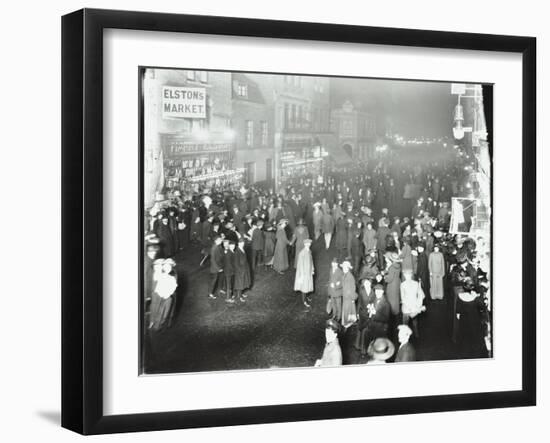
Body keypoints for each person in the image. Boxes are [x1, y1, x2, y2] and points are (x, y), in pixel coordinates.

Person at [355, 281, 391, 356]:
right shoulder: (374, 299)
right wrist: (369, 309)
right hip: (372, 323)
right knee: (364, 332)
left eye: (379, 291)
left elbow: (386, 319)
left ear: (382, 292)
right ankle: (365, 351)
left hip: (380, 326)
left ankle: (372, 352)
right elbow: (369, 306)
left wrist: (375, 313)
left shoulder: (386, 304)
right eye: (376, 291)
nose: (377, 293)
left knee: (367, 333)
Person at [149, 258, 178, 331]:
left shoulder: (173, 275)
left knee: (166, 312)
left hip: (169, 296)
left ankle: (164, 324)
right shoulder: (161, 274)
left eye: (169, 266)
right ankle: (156, 324)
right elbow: (158, 285)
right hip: (161, 295)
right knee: (159, 310)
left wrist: (168, 294)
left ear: (172, 267)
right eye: (165, 266)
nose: (167, 268)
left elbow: (173, 286)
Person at [400, 268, 426, 337]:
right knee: (412, 322)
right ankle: (416, 335)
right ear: (404, 275)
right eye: (406, 275)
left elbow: (420, 295)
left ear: (411, 275)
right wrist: (417, 306)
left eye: (408, 275)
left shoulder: (404, 284)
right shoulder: (414, 284)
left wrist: (416, 305)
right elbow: (421, 296)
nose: (407, 276)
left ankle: (410, 336)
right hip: (411, 307)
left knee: (408, 323)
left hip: (408, 307)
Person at [294, 239, 315, 308]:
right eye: (307, 244)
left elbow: (311, 261)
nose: (308, 245)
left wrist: (312, 269)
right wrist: (302, 275)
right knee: (304, 287)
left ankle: (307, 297)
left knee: (308, 285)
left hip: (308, 272)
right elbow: (300, 265)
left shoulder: (309, 251)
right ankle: (304, 301)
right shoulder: (302, 253)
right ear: (304, 244)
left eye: (309, 244)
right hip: (304, 273)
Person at [384, 251, 402, 316]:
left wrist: (385, 277)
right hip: (397, 282)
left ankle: (392, 312)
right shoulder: (398, 265)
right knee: (396, 298)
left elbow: (390, 279)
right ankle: (396, 311)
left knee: (391, 298)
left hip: (392, 285)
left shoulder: (392, 267)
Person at [341, 259, 358, 328]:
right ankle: (350, 321)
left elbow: (352, 290)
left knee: (348, 310)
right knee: (349, 310)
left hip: (349, 297)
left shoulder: (350, 277)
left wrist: (353, 298)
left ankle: (347, 323)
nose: (343, 269)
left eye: (345, 267)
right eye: (343, 267)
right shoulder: (345, 275)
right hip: (346, 297)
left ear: (348, 268)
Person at [233, 238, 251, 302]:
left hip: (244, 269)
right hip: (240, 270)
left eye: (243, 243)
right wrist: (240, 270)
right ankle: (239, 296)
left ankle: (241, 294)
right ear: (239, 243)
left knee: (243, 283)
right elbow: (236, 263)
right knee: (239, 284)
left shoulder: (242, 249)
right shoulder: (237, 251)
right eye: (241, 243)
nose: (242, 244)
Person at [207, 236, 225, 300]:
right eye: (220, 239)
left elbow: (221, 254)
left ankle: (220, 289)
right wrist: (218, 268)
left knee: (221, 278)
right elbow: (212, 260)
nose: (221, 240)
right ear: (216, 241)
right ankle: (210, 294)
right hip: (215, 268)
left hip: (220, 266)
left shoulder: (219, 246)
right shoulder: (214, 248)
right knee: (213, 281)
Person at [327, 257, 344, 322]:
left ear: (337, 264)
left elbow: (342, 282)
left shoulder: (340, 272)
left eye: (335, 264)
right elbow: (329, 280)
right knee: (333, 304)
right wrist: (329, 291)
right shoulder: (331, 270)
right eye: (333, 263)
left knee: (338, 305)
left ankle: (339, 317)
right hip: (332, 292)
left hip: (337, 292)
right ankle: (334, 315)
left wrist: (337, 285)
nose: (334, 265)